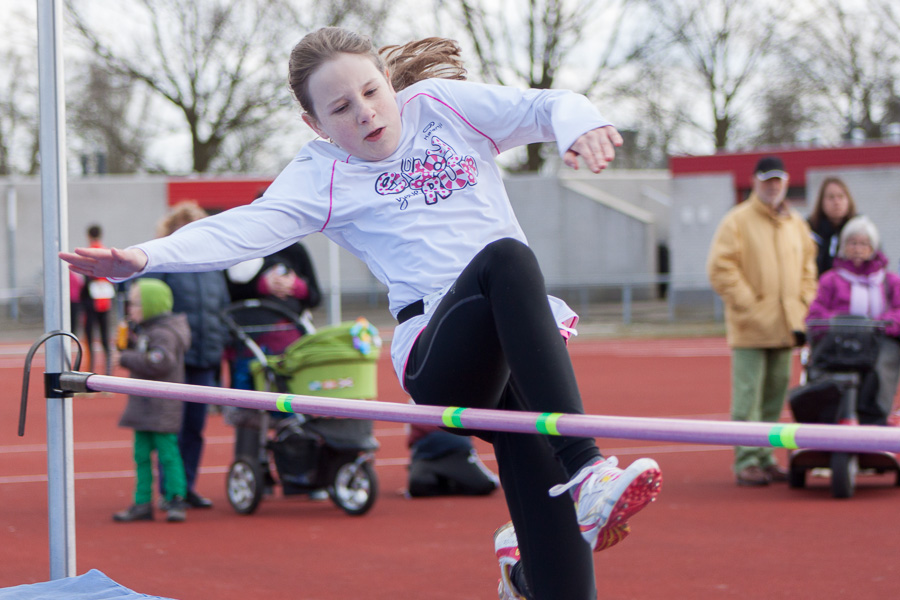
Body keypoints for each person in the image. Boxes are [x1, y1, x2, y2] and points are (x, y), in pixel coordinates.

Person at [61, 28, 662, 599]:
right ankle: (586, 470)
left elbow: (548, 104)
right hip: (444, 356)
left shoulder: (442, 107)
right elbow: (239, 231)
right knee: (505, 258)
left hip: (522, 356)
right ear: (315, 124)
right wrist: (142, 258)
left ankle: (526, 568)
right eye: (341, 108)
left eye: (372, 92)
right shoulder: (321, 174)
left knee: (568, 590)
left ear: (389, 84)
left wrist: (583, 124)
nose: (366, 113)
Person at [707, 155, 818, 486]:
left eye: (778, 180)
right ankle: (746, 460)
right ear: (755, 182)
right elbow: (721, 267)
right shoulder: (737, 221)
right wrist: (748, 305)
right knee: (747, 398)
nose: (773, 186)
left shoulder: (796, 223)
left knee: (773, 398)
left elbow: (809, 268)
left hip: (788, 326)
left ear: (785, 183)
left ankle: (766, 457)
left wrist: (804, 302)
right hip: (751, 327)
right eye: (767, 180)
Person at [149, 201, 231, 509]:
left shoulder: (214, 263)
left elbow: (221, 307)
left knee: (195, 428)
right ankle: (171, 491)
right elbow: (152, 307)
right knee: (172, 427)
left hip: (206, 355)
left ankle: (188, 485)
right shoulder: (163, 261)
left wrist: (220, 341)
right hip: (174, 360)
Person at [805, 216, 900, 425]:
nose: (858, 248)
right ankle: (830, 418)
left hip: (877, 343)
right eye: (853, 243)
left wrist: (880, 324)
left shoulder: (889, 281)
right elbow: (815, 316)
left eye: (864, 243)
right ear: (843, 246)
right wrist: (841, 324)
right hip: (839, 344)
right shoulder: (830, 279)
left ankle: (874, 419)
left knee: (884, 361)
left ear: (873, 247)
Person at [113, 278, 192, 523]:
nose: (130, 309)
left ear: (150, 306)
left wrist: (126, 357)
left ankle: (176, 497)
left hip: (161, 405)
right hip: (145, 404)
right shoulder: (149, 331)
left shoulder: (163, 333)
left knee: (168, 454)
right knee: (141, 454)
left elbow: (159, 363)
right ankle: (142, 501)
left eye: (135, 304)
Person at [406, 423, 499, 497]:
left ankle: (455, 479)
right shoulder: (415, 401)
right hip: (427, 455)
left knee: (485, 486)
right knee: (417, 487)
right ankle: (450, 480)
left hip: (456, 449)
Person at [81, 224, 115, 374]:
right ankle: (108, 374)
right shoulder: (106, 252)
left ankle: (89, 374)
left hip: (90, 300)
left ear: (88, 235)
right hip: (105, 300)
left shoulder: (88, 253)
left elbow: (86, 276)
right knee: (105, 339)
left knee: (89, 339)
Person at [807, 177, 858, 276]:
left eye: (841, 196)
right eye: (831, 197)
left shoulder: (860, 230)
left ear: (848, 200)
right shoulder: (809, 231)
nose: (836, 202)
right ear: (821, 202)